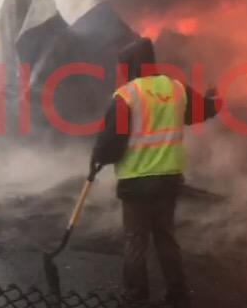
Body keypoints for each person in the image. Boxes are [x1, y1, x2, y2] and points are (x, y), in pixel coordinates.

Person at [90, 38, 220, 308]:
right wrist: (212, 99)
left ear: (133, 66)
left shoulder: (127, 95)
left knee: (135, 240)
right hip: (168, 180)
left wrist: (98, 158)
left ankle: (136, 295)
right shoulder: (175, 89)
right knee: (166, 238)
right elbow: (201, 112)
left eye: (124, 66)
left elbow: (112, 140)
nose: (123, 71)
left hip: (136, 181)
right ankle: (178, 292)